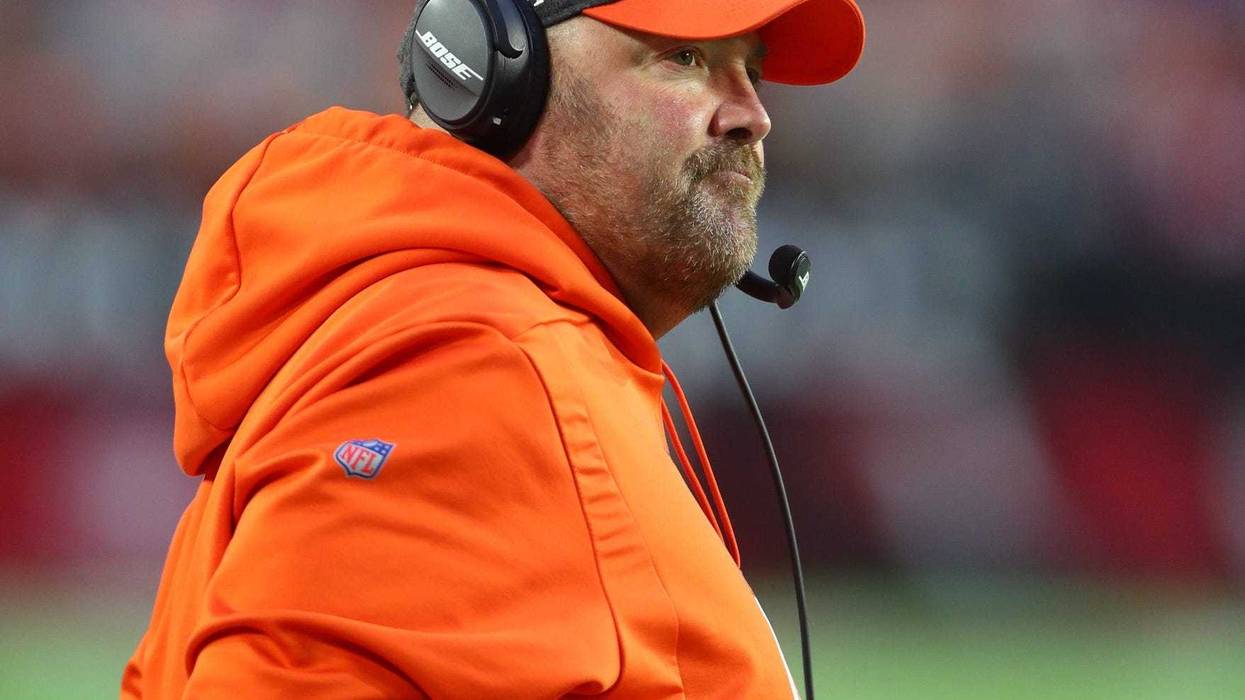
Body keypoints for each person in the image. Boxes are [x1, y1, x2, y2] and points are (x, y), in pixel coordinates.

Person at [121, 0, 864, 697]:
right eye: (683, 59)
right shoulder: (466, 368)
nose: (752, 115)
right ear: (493, 72)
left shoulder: (498, 339)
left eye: (752, 70)